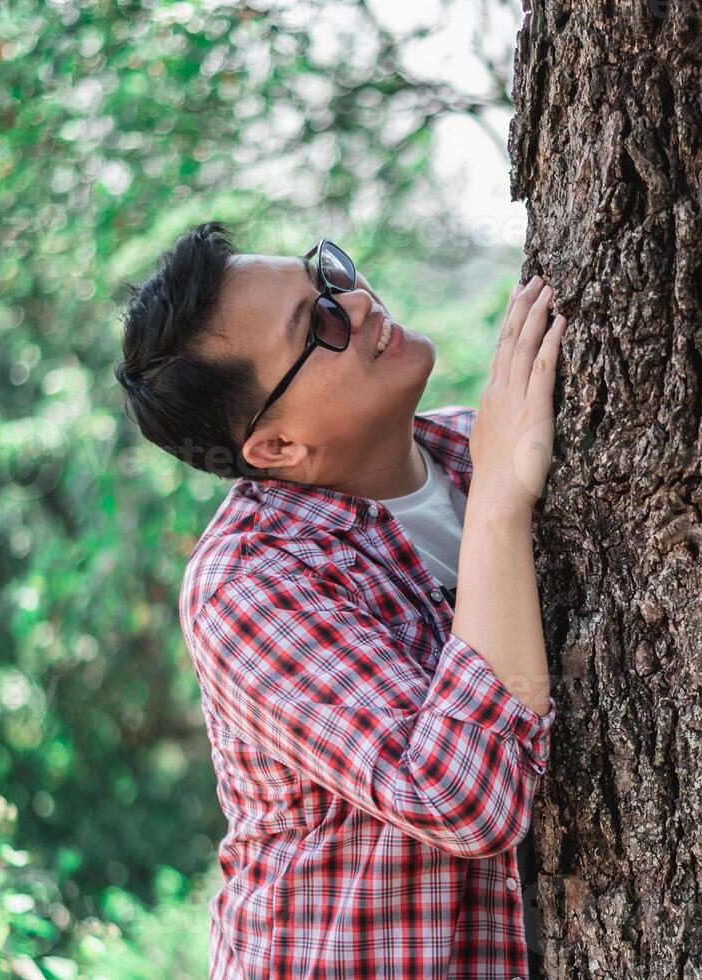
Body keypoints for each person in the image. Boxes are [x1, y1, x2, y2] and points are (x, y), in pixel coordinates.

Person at [113, 221, 566, 978]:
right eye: (318, 325)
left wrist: (495, 484)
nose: (356, 303)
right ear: (277, 449)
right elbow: (460, 798)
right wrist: (498, 506)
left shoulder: (479, 450)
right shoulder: (252, 584)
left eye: (327, 277)